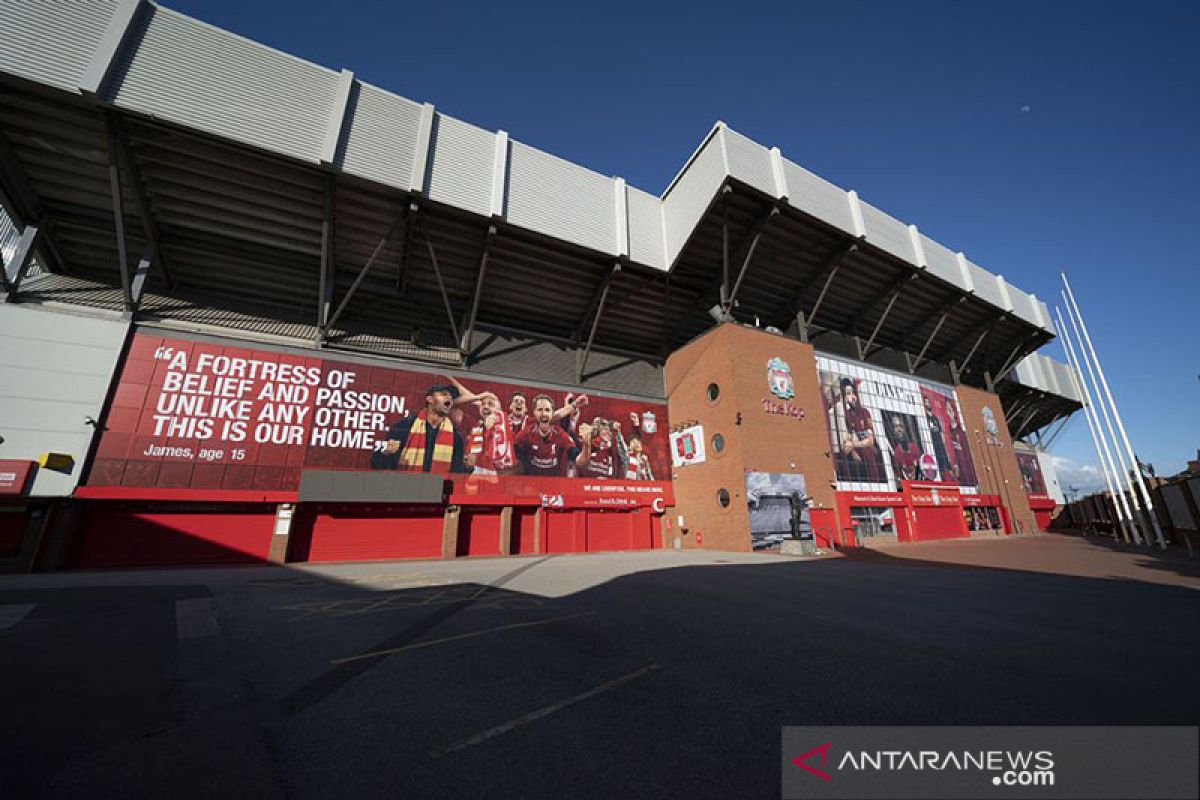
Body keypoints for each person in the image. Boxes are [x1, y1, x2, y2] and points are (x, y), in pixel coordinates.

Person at [370, 384, 467, 474]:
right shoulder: (403, 427)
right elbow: (376, 464)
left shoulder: (456, 437)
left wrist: (468, 467)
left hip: (436, 490)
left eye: (451, 397)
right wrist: (386, 452)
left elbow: (456, 475)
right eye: (444, 394)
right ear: (430, 399)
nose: (449, 398)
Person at [514, 394, 581, 477]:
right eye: (540, 410)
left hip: (554, 485)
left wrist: (574, 405)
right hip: (529, 484)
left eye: (547, 410)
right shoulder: (526, 431)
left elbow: (577, 459)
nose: (543, 413)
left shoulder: (560, 434)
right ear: (534, 412)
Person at [832, 378, 883, 482]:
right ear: (845, 398)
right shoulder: (848, 415)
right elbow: (850, 434)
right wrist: (850, 448)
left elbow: (870, 441)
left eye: (853, 392)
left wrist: (853, 445)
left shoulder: (864, 412)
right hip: (861, 457)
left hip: (872, 455)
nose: (852, 396)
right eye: (848, 394)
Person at [944, 399, 977, 485]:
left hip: (968, 465)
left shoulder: (962, 429)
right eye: (948, 410)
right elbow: (949, 449)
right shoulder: (947, 430)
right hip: (958, 466)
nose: (950, 412)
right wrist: (955, 464)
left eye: (951, 410)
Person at [886, 414, 922, 484]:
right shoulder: (889, 450)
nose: (899, 429)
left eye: (901, 426)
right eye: (896, 427)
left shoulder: (914, 447)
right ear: (891, 429)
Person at [924, 395, 952, 479]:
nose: (927, 404)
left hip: (940, 443)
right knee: (938, 463)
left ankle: (950, 477)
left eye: (928, 402)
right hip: (933, 444)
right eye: (925, 403)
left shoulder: (935, 418)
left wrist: (944, 446)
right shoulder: (925, 417)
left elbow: (940, 432)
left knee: (945, 462)